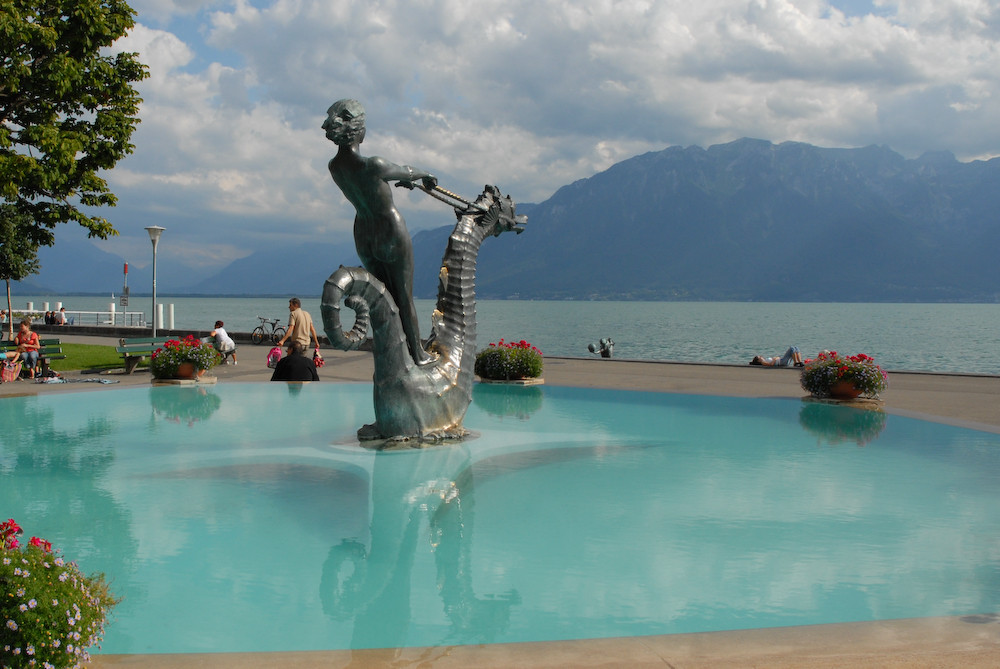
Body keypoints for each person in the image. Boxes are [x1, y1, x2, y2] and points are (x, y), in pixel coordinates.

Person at [323, 98, 437, 366]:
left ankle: (391, 356)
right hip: (389, 230)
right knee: (404, 297)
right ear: (359, 130)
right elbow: (407, 171)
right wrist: (425, 174)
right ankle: (418, 354)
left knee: (383, 298)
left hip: (363, 233)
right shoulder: (373, 165)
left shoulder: (335, 167)